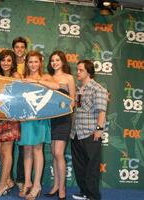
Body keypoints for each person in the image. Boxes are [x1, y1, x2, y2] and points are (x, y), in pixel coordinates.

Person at [18, 51, 59, 200]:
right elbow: (18, 99)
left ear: (40, 62)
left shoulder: (46, 77)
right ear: (26, 63)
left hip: (40, 119)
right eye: (30, 62)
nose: (33, 65)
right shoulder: (23, 78)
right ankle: (27, 182)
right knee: (27, 149)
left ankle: (37, 185)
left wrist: (37, 82)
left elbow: (56, 86)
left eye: (36, 62)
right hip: (26, 119)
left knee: (37, 149)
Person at [71, 60, 108, 200]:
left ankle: (93, 196)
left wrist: (99, 129)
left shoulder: (98, 89)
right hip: (76, 133)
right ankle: (84, 192)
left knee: (92, 168)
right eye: (77, 70)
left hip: (90, 134)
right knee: (80, 166)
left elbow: (102, 112)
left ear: (88, 72)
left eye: (80, 70)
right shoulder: (80, 89)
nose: (77, 72)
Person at [45, 50, 75, 200]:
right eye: (52, 60)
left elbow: (73, 101)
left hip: (64, 119)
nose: (54, 62)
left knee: (59, 153)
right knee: (54, 155)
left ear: (63, 61)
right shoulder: (48, 77)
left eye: (57, 60)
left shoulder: (69, 78)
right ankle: (56, 185)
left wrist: (64, 107)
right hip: (50, 119)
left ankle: (62, 188)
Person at [0, 50, 21, 197]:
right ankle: (8, 180)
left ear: (13, 62)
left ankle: (2, 185)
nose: (6, 63)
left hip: (10, 118)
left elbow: (20, 98)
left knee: (7, 152)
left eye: (9, 60)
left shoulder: (16, 76)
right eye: (3, 60)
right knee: (2, 152)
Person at [12, 36, 28, 189]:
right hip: (10, 111)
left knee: (24, 147)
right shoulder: (8, 65)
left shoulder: (30, 66)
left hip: (25, 112)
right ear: (13, 49)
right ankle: (7, 179)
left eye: (22, 47)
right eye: (17, 47)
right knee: (8, 147)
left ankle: (21, 179)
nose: (19, 50)